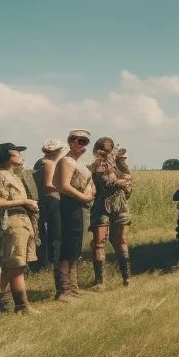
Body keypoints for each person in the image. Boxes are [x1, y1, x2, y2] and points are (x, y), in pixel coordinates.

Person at [0, 142, 39, 314]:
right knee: (16, 265)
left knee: (14, 264)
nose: (21, 155)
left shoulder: (14, 175)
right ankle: (22, 307)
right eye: (17, 153)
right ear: (8, 157)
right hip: (12, 222)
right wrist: (25, 202)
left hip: (21, 221)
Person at [54, 129, 96, 300]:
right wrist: (84, 197)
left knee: (75, 247)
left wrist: (90, 193)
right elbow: (64, 186)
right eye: (79, 140)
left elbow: (90, 184)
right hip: (69, 206)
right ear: (71, 141)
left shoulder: (81, 164)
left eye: (85, 141)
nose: (82, 144)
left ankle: (73, 287)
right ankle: (63, 290)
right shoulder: (66, 161)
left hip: (79, 206)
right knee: (67, 247)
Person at [88, 136, 134, 288]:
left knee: (117, 241)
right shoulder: (98, 165)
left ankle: (124, 279)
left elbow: (128, 188)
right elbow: (105, 187)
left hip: (116, 206)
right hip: (105, 206)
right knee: (100, 243)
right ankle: (102, 282)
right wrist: (120, 183)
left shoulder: (117, 165)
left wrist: (124, 183)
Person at [33, 138, 66, 274]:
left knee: (46, 233)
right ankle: (53, 263)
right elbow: (48, 185)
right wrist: (66, 188)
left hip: (43, 200)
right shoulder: (50, 163)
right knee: (56, 233)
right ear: (57, 151)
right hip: (52, 199)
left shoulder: (39, 162)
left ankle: (45, 262)